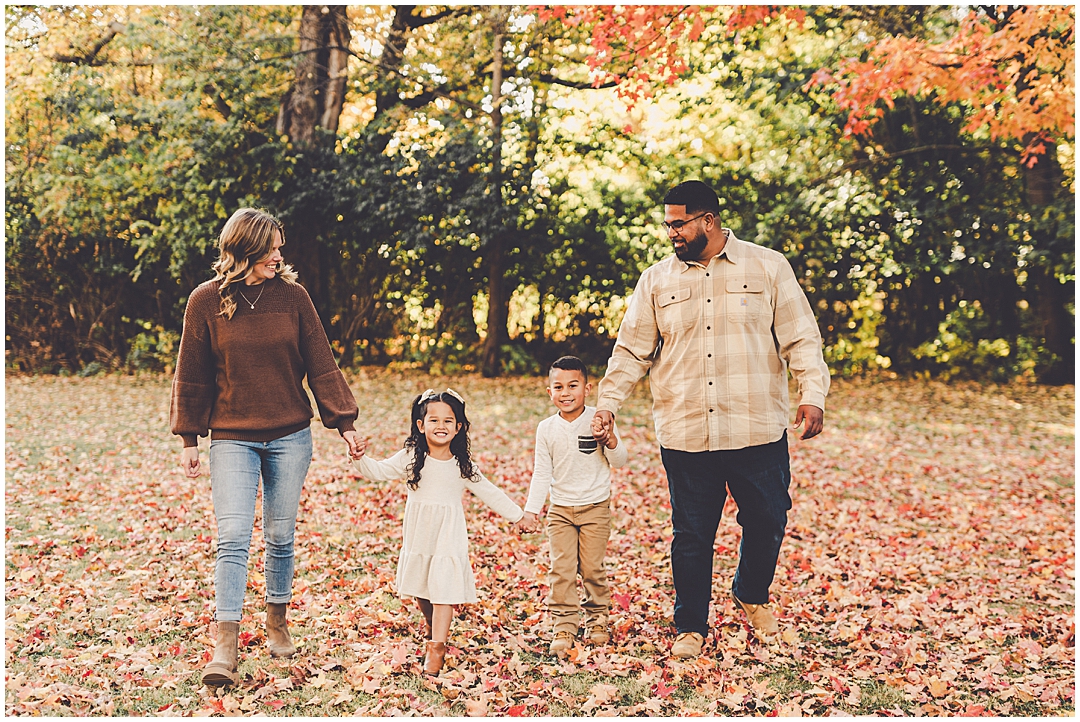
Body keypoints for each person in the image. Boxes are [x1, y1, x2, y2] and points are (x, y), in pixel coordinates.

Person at [592, 180, 830, 660]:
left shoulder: (767, 266)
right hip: (686, 429)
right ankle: (690, 625)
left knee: (768, 517)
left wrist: (813, 393)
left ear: (709, 221)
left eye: (679, 224)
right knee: (692, 533)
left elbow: (801, 336)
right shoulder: (656, 280)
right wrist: (607, 404)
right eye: (668, 224)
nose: (671, 233)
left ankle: (751, 591)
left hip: (755, 426)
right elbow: (631, 351)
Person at [170, 208, 361, 687]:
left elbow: (321, 361)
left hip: (290, 436)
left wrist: (345, 423)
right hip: (232, 436)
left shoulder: (293, 297)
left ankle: (276, 620)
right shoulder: (205, 301)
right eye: (271, 248)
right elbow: (191, 373)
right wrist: (190, 437)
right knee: (232, 536)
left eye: (280, 246)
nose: (279, 255)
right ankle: (225, 643)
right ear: (245, 250)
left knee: (279, 535)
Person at [350, 389, 525, 676]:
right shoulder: (411, 458)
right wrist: (359, 458)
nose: (441, 426)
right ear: (421, 425)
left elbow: (491, 492)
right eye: (434, 420)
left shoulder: (462, 465)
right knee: (423, 588)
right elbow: (378, 470)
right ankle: (433, 625)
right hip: (420, 532)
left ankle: (437, 648)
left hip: (448, 533)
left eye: (448, 421)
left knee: (443, 588)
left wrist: (519, 516)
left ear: (458, 428)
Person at [521, 356, 627, 656]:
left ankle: (597, 619)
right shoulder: (546, 429)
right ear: (549, 392)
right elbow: (541, 472)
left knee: (592, 567)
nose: (566, 392)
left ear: (587, 388)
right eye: (559, 387)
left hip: (595, 508)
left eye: (573, 385)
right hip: (561, 511)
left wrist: (609, 440)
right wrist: (532, 510)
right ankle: (564, 624)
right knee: (562, 569)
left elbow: (621, 460)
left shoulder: (599, 419)